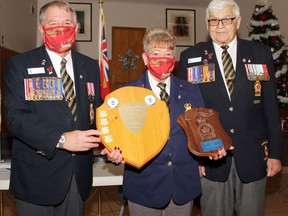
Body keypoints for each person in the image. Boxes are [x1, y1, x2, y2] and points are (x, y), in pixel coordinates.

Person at [102, 27, 228, 216]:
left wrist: (211, 150)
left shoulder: (190, 90)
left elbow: (200, 130)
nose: (163, 58)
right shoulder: (128, 93)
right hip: (144, 185)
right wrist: (115, 152)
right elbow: (117, 134)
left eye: (168, 54)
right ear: (145, 58)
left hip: (183, 184)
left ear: (174, 58)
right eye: (156, 53)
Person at [178, 0, 283, 215]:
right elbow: (187, 114)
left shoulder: (259, 53)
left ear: (237, 21)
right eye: (214, 20)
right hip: (210, 157)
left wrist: (275, 153)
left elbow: (271, 108)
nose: (220, 25)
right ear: (207, 24)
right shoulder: (190, 58)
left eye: (226, 19)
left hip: (253, 154)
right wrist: (196, 157)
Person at [3, 1, 103, 216]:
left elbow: (98, 111)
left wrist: (113, 143)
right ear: (41, 29)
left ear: (76, 27)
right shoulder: (20, 64)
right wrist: (62, 139)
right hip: (36, 175)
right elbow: (15, 117)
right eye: (53, 23)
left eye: (67, 22)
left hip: (78, 176)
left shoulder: (90, 66)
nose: (61, 28)